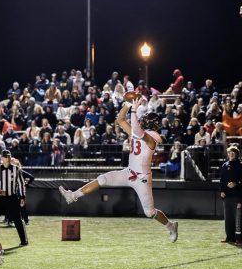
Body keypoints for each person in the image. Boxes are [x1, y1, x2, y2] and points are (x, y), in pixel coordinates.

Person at [59, 97, 179, 242]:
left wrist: (134, 110)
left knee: (149, 212)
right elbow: (120, 119)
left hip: (141, 178)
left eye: (145, 120)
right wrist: (127, 104)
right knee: (102, 179)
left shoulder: (152, 138)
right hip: (129, 172)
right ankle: (72, 196)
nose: (142, 121)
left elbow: (139, 133)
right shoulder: (139, 132)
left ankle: (171, 226)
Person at [0, 150, 28, 246]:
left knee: (17, 219)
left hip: (12, 197)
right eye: (6, 156)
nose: (8, 158)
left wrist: (22, 197)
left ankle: (24, 241)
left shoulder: (16, 169)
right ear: (1, 158)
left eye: (9, 156)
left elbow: (21, 184)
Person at [220, 146, 242, 245]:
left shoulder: (241, 166)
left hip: (238, 195)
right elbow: (222, 180)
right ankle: (229, 237)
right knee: (228, 217)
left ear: (236, 154)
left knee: (238, 218)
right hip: (227, 196)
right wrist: (222, 190)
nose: (231, 154)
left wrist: (235, 183)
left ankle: (240, 239)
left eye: (233, 152)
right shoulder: (224, 165)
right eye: (229, 152)